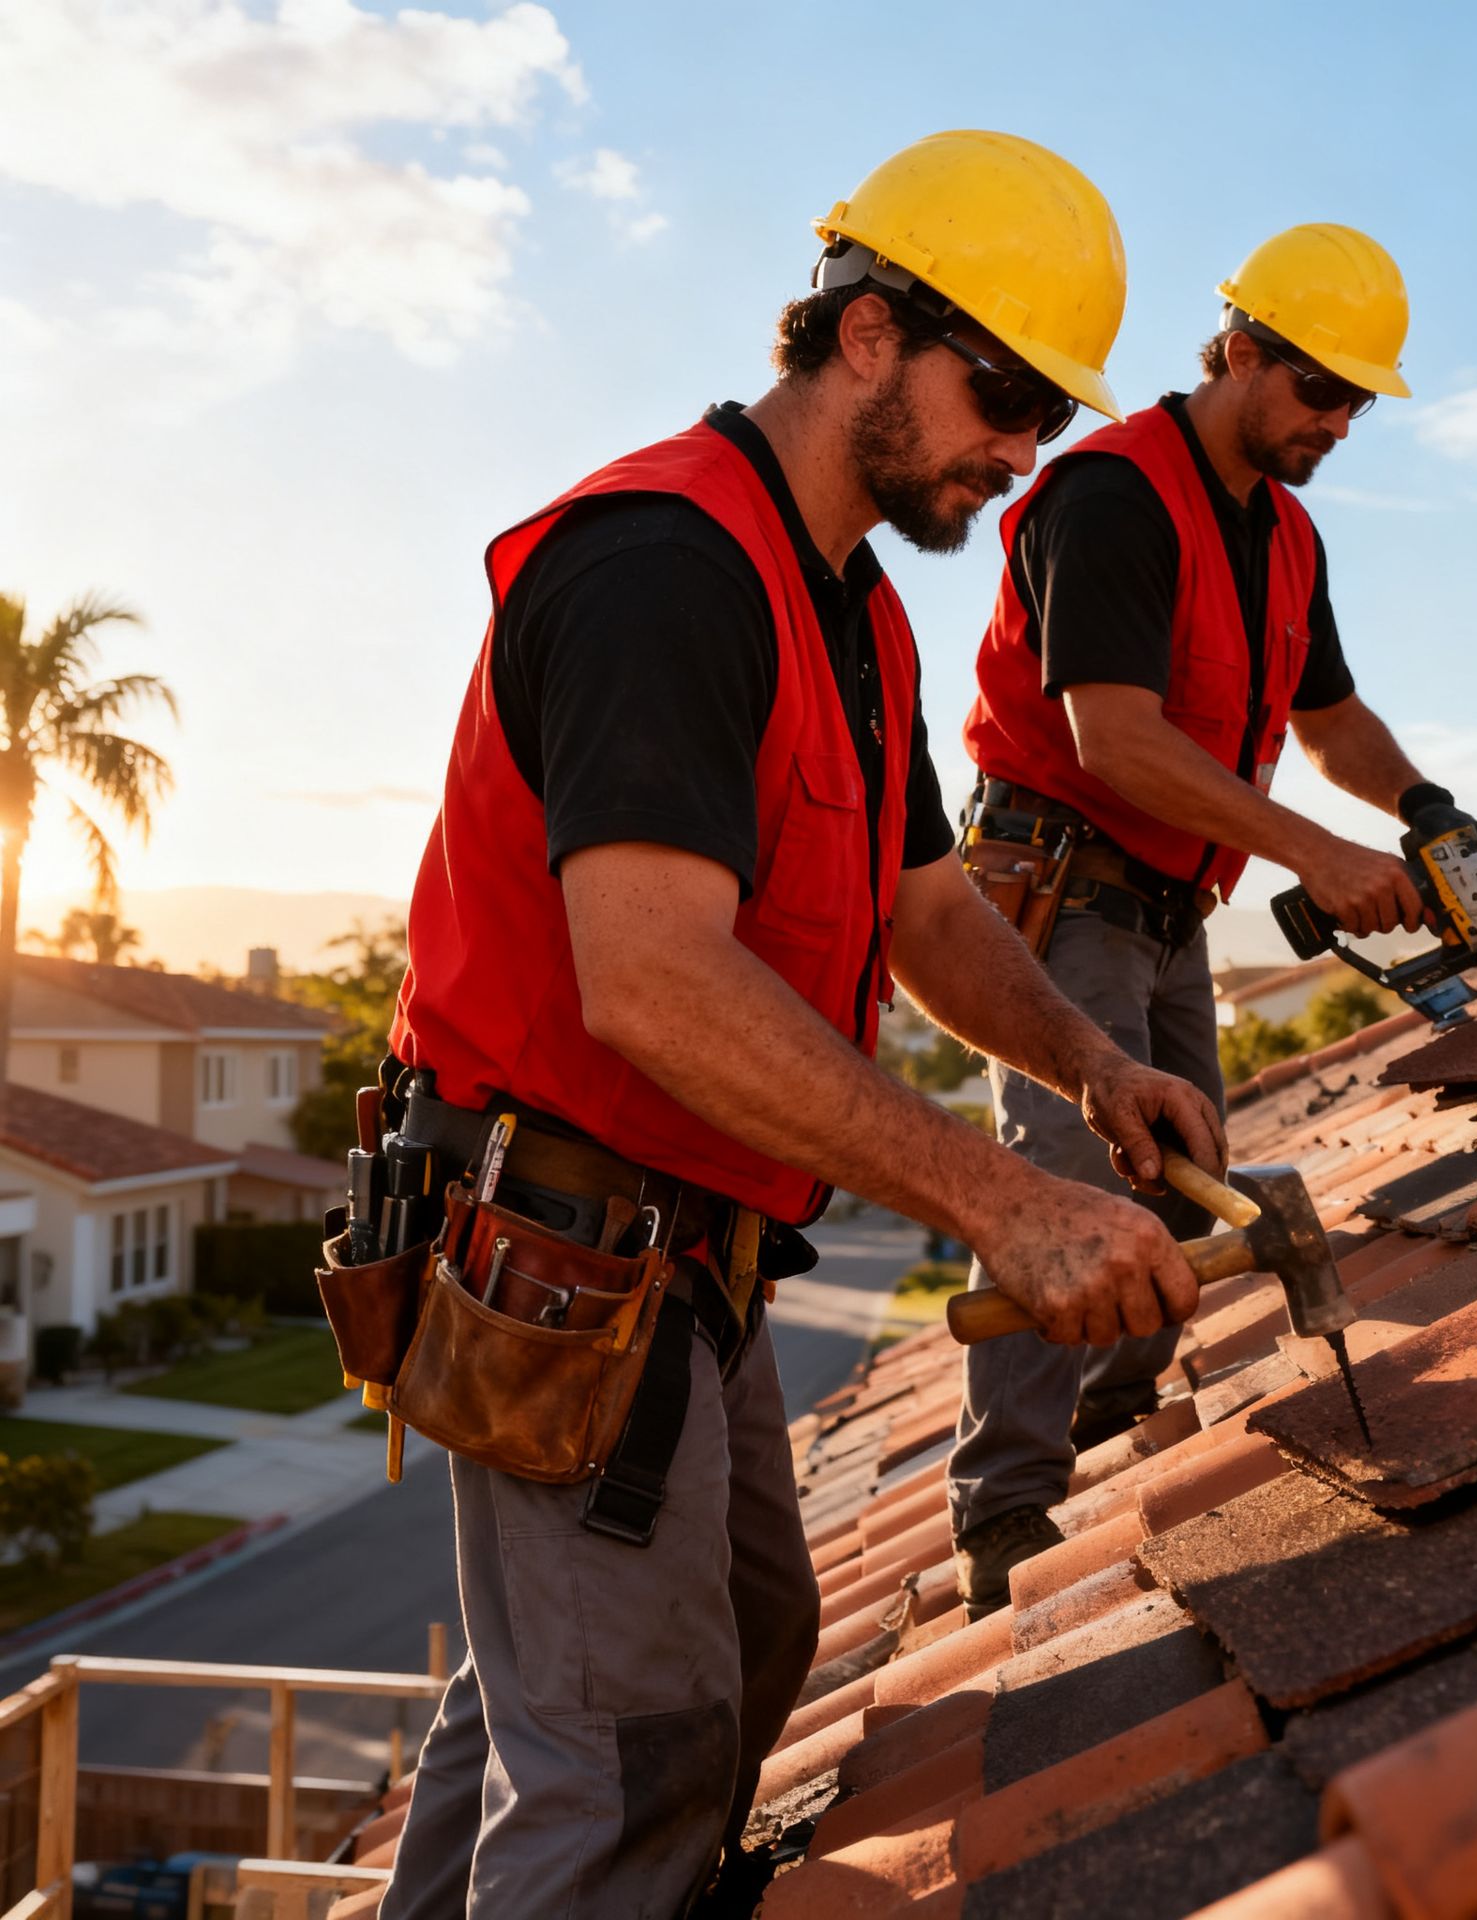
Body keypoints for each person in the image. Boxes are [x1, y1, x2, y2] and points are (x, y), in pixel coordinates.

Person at [375, 130, 1224, 1920]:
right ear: (862, 334)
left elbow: (927, 911)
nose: (1022, 452)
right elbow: (655, 979)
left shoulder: (848, 615)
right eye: (1001, 393)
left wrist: (1095, 1067)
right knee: (625, 1769)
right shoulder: (664, 565)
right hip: (570, 1258)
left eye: (1051, 419)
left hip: (692, 1264)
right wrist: (1006, 1203)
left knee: (739, 1646)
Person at [949, 223, 1477, 1616]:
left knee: (1182, 1171)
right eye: (1319, 392)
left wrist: (1421, 805)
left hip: (1171, 908)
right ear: (1240, 352)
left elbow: (1328, 719)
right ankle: (1002, 1515)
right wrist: (1316, 854)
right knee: (1063, 1187)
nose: (1337, 424)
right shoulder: (1111, 498)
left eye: (1358, 404)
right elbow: (1116, 737)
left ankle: (1117, 1430)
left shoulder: (1288, 535)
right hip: (1058, 888)